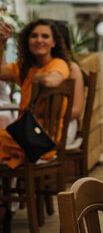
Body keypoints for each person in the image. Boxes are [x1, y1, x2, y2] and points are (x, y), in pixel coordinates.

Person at [0, 18, 72, 168]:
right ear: (27, 41)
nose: (39, 40)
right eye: (34, 36)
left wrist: (36, 77)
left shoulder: (58, 63)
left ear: (54, 43)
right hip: (22, 134)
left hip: (42, 139)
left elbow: (52, 81)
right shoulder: (26, 67)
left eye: (45, 36)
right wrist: (2, 43)